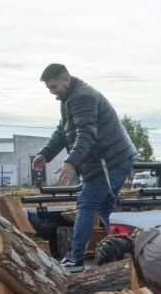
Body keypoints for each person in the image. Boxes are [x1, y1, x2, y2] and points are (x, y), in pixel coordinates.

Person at [32, 63, 135, 272]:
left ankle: (75, 258)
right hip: (104, 161)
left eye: (53, 87)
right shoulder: (68, 98)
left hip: (111, 161)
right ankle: (126, 251)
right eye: (49, 88)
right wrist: (45, 154)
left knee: (86, 204)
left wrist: (71, 162)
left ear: (66, 79)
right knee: (105, 208)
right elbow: (63, 132)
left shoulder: (82, 97)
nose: (52, 92)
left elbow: (86, 134)